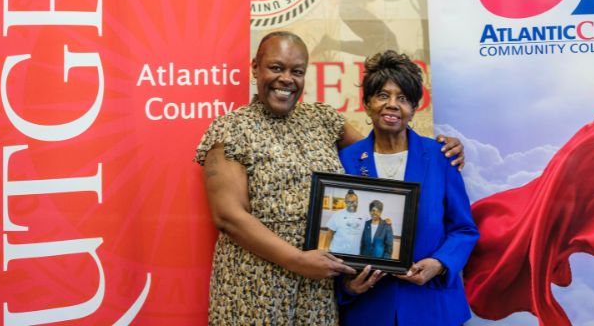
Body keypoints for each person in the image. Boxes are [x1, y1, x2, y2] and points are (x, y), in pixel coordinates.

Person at [194, 32, 465, 325]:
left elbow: (378, 162)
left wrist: (442, 150)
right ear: (255, 67)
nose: (286, 78)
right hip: (256, 282)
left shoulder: (322, 120)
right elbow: (229, 217)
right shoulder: (230, 129)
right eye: (276, 67)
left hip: (318, 288)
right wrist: (298, 261)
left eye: (296, 71)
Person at [338, 50, 480, 326]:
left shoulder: (441, 157)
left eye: (402, 98)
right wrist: (346, 286)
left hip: (432, 305)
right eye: (382, 95)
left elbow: (464, 229)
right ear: (367, 103)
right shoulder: (345, 161)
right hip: (369, 308)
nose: (392, 105)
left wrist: (439, 264)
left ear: (414, 108)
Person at [323, 190, 366, 255]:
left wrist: (385, 221)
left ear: (357, 202)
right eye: (349, 202)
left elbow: (374, 222)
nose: (352, 204)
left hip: (354, 254)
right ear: (345, 202)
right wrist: (326, 248)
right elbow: (330, 232)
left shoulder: (364, 216)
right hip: (337, 252)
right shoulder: (337, 215)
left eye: (354, 201)